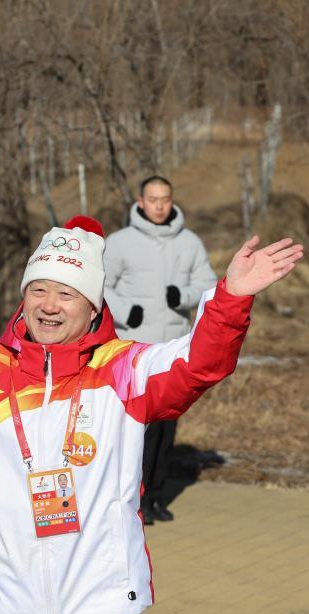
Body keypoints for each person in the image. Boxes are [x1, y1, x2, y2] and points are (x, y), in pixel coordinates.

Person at [0, 215, 302, 614]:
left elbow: (199, 363)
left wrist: (231, 299)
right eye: (39, 290)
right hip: (5, 599)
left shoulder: (124, 369)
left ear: (94, 307)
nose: (49, 306)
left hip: (96, 596)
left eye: (67, 293)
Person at [103, 176, 216, 524]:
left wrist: (182, 296)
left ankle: (155, 495)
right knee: (139, 428)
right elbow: (99, 283)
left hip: (173, 349)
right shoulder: (119, 243)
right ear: (140, 201)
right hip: (134, 350)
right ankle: (132, 500)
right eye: (152, 199)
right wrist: (125, 311)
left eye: (165, 199)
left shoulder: (190, 242)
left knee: (167, 427)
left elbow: (209, 283)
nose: (159, 205)